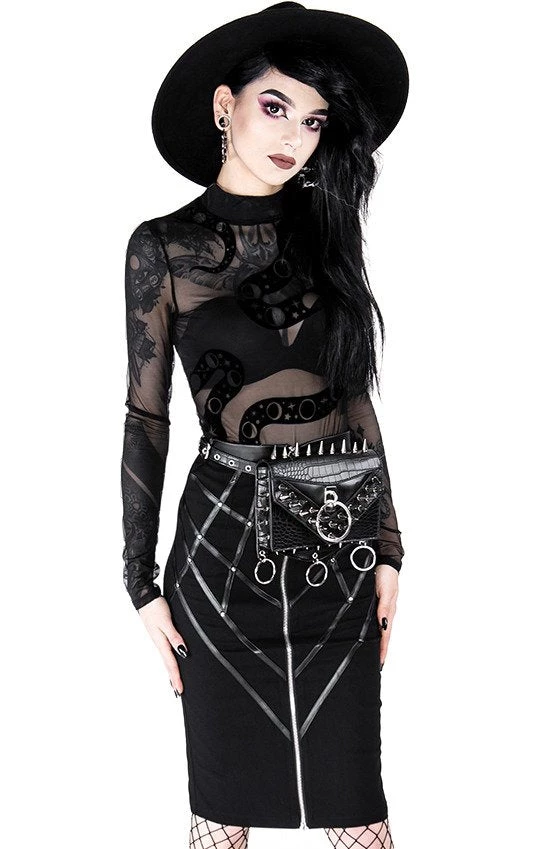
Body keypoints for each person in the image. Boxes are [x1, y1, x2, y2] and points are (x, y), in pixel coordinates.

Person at [120, 3, 409, 847]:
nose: (294, 137)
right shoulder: (162, 248)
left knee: (357, 810)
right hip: (220, 552)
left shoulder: (328, 233)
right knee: (222, 812)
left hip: (334, 536)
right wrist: (139, 581)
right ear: (225, 106)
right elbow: (145, 414)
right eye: (275, 106)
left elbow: (355, 396)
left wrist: (390, 546)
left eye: (314, 120)